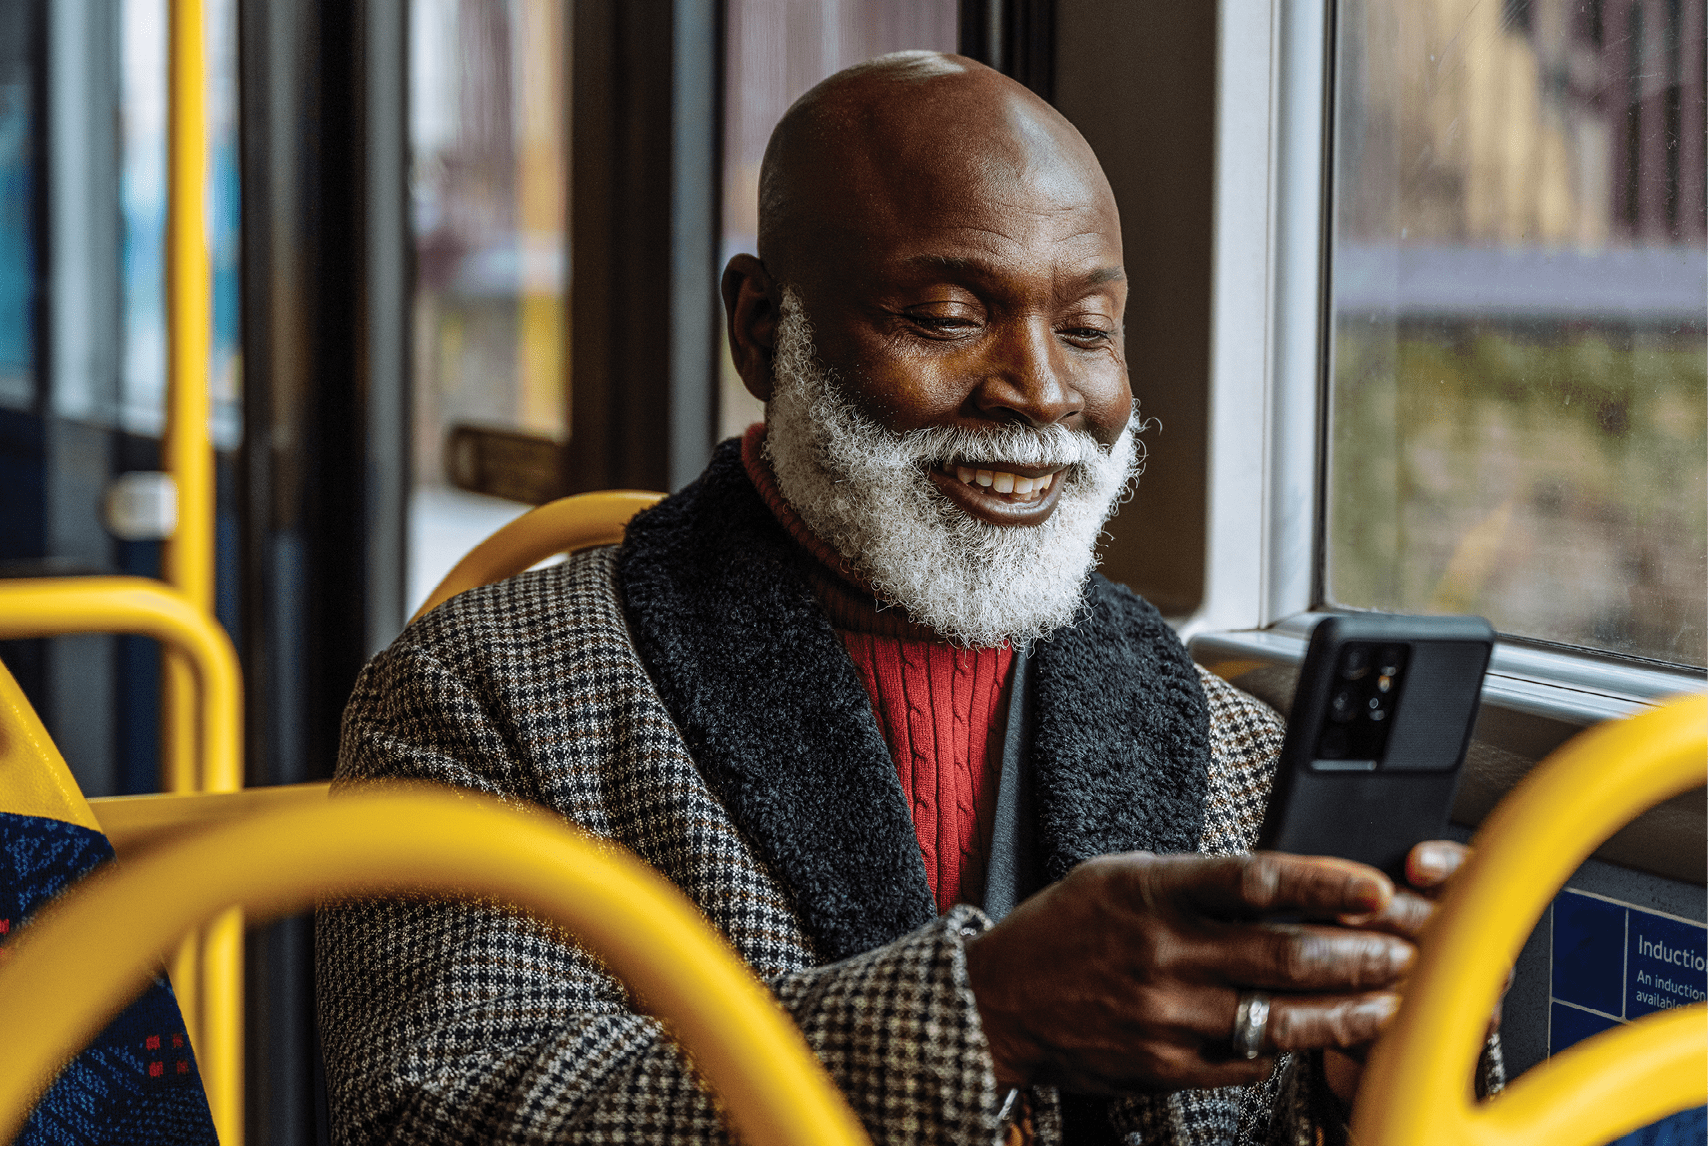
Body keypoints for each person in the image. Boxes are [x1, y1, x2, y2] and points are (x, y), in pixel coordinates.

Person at [317, 52, 1500, 1144]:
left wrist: (1387, 1069)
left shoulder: (1233, 748)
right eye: (946, 316)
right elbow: (440, 1115)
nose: (1040, 391)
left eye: (1088, 329)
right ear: (764, 328)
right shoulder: (482, 697)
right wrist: (981, 1020)